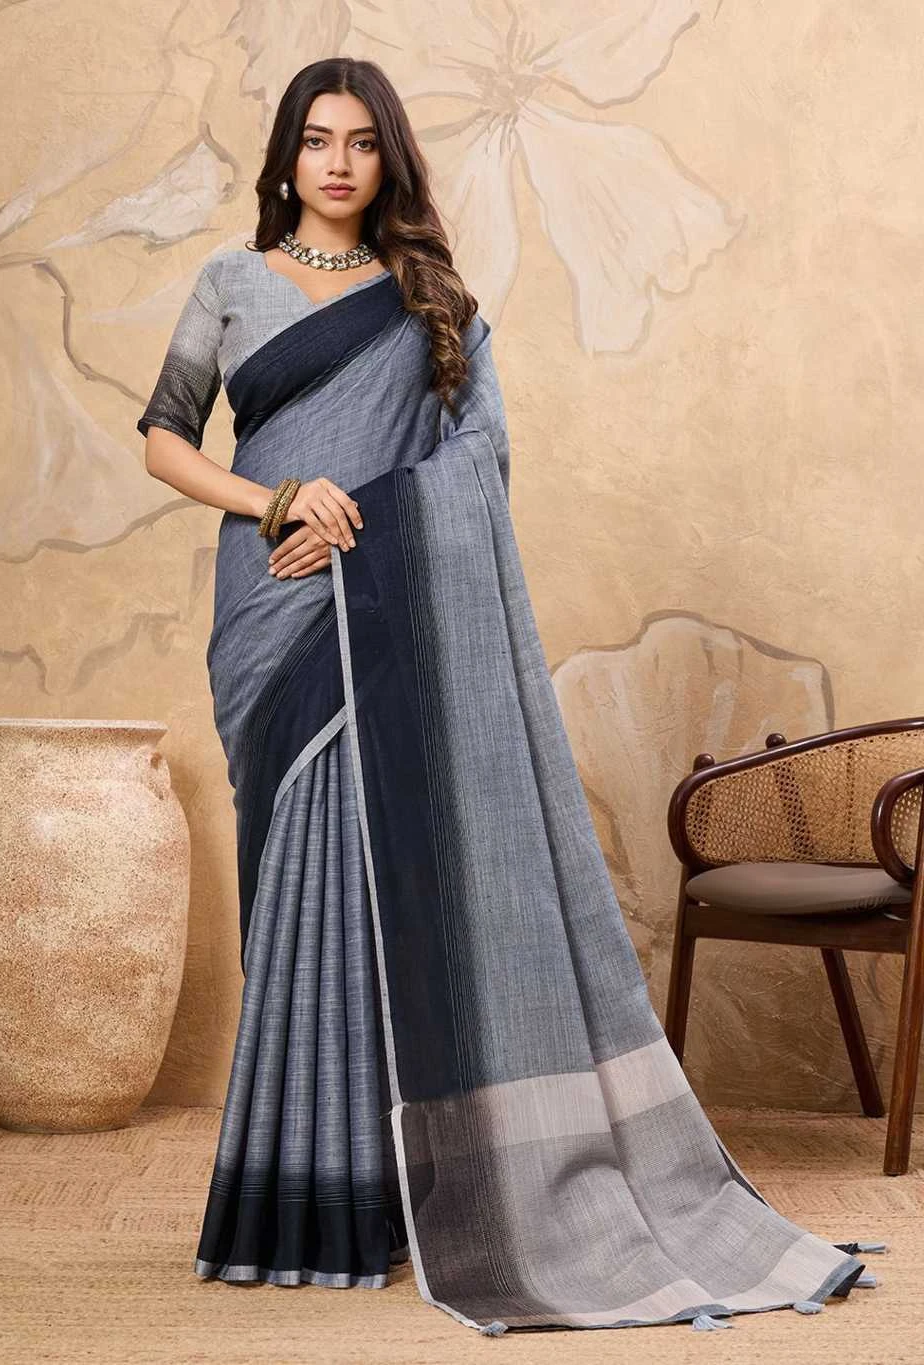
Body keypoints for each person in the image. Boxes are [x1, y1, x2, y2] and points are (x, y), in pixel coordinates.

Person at [138, 56, 879, 1336]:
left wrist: (366, 521)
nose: (337, 164)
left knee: (371, 883)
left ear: (388, 157)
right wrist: (275, 501)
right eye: (316, 140)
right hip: (272, 616)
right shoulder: (229, 282)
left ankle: (372, 1197)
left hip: (383, 609)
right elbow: (163, 439)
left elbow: (479, 463)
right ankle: (291, 1188)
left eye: (361, 142)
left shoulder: (430, 301)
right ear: (284, 156)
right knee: (293, 879)